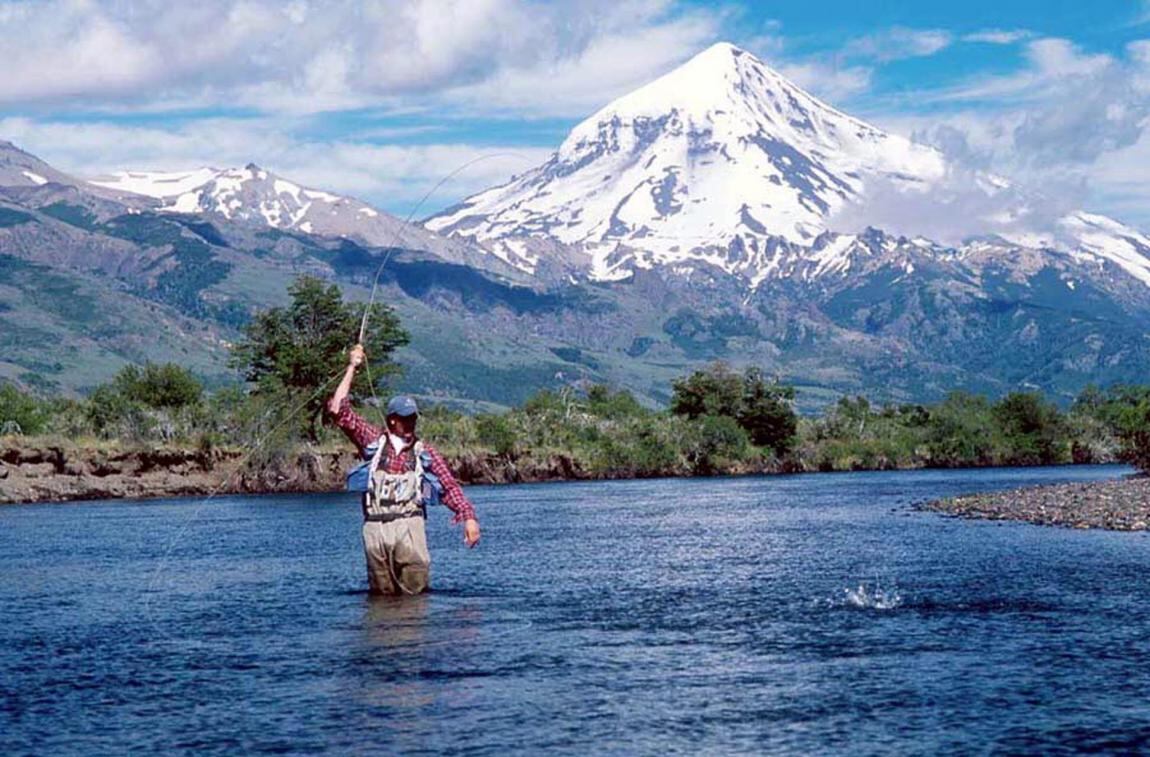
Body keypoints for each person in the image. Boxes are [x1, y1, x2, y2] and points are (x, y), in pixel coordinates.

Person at [328, 343, 480, 595]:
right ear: (391, 420)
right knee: (380, 598)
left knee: (416, 593)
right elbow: (338, 410)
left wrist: (469, 518)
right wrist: (352, 367)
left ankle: (414, 635)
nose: (411, 423)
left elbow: (449, 487)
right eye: (405, 418)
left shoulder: (425, 452)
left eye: (413, 418)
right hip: (375, 529)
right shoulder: (372, 442)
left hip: (410, 527)